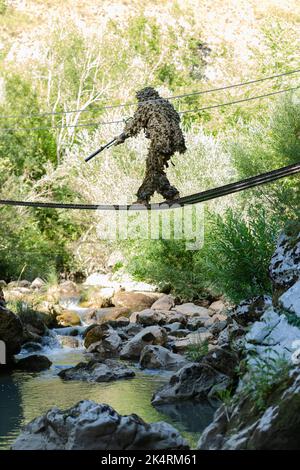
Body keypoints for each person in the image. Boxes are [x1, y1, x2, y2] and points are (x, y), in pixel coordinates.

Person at [114, 87, 187, 204]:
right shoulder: (165, 104)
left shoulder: (146, 104)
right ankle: (171, 194)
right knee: (156, 168)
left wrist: (122, 136)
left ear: (142, 97)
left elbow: (134, 125)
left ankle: (142, 198)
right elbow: (175, 119)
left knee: (152, 168)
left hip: (161, 142)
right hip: (175, 141)